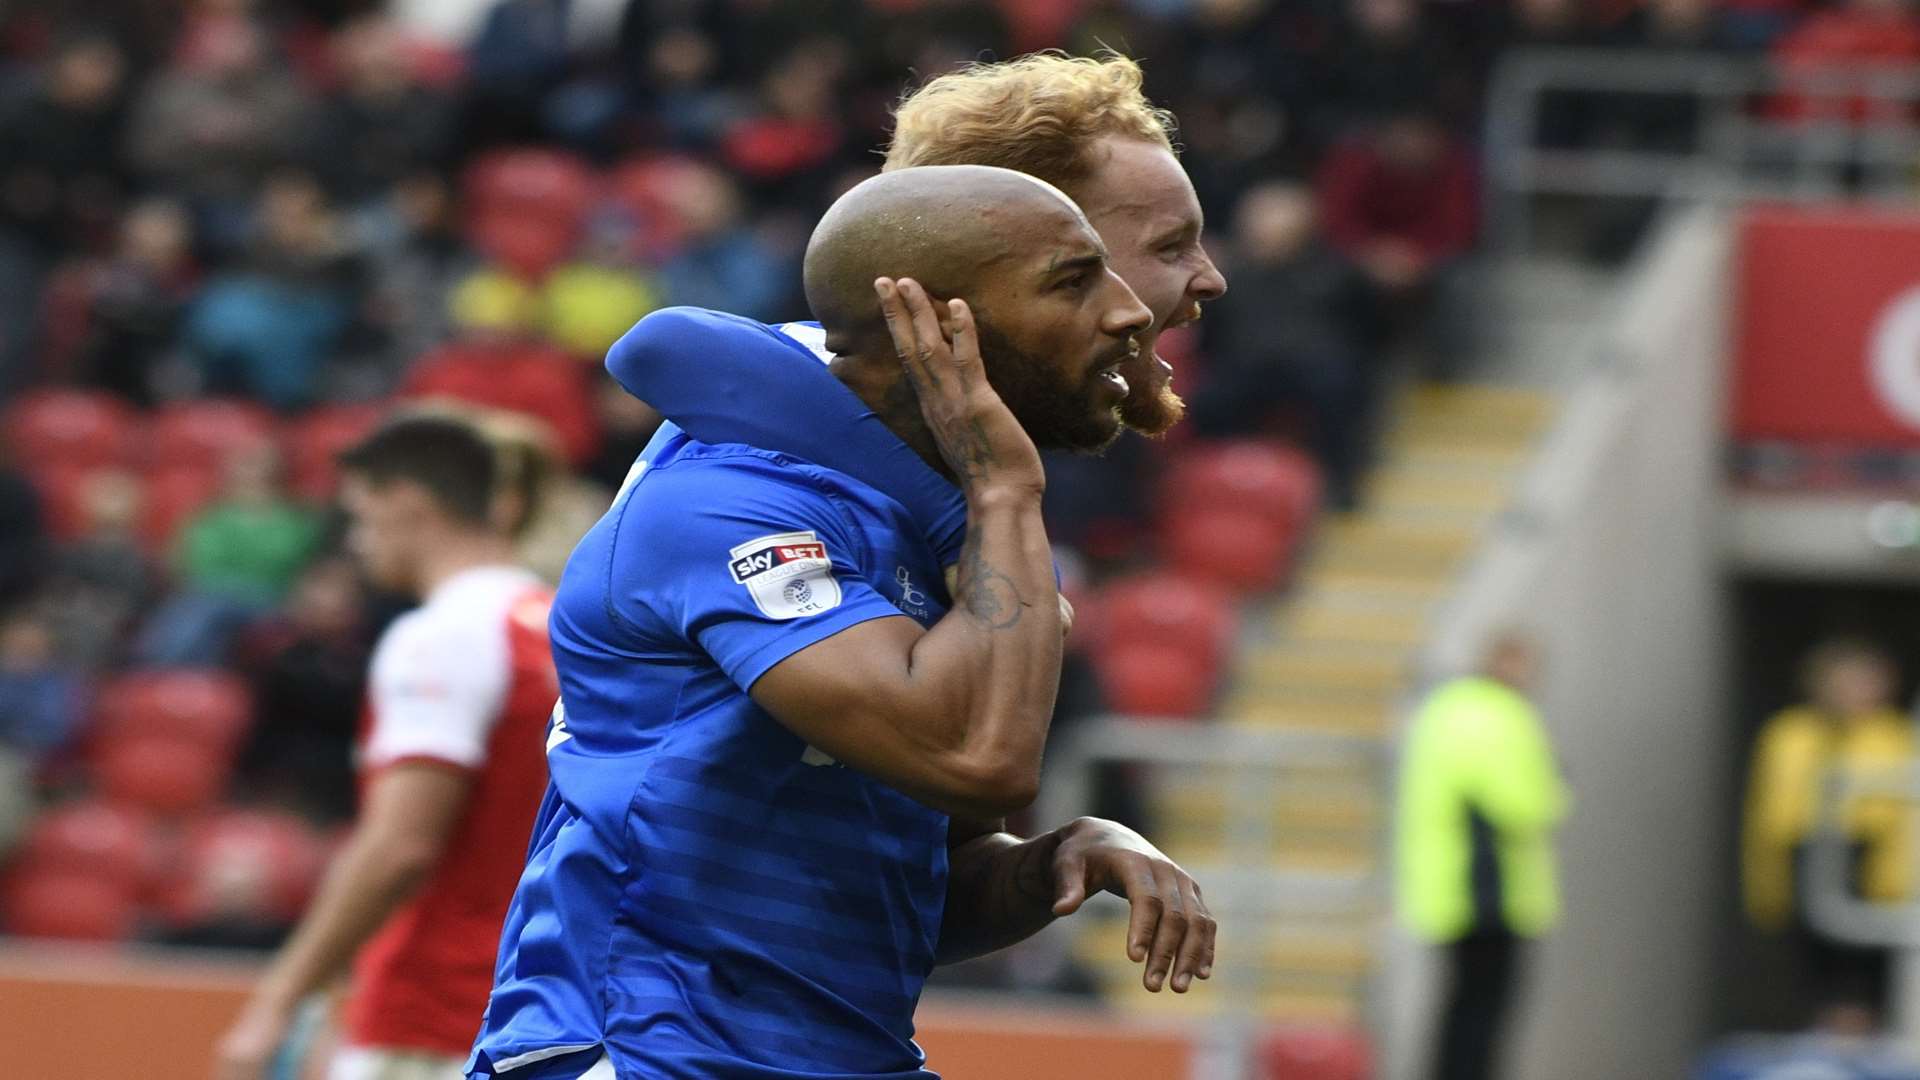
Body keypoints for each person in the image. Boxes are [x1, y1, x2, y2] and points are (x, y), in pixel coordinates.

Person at [468, 166, 1214, 1080]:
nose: (1132, 311)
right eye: (1073, 279)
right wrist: (1006, 491)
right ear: (935, 327)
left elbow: (900, 894)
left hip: (846, 1058)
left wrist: (1057, 859)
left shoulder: (933, 526)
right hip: (644, 1049)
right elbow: (980, 762)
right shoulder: (727, 510)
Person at [215, 415, 560, 1080]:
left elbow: (402, 846)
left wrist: (278, 1000)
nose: (354, 541)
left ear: (407, 502)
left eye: (361, 514)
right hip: (540, 998)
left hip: (431, 1011)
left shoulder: (441, 636)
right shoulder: (561, 629)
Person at [1396, 631, 1569, 1080]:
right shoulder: (1497, 715)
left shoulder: (1444, 709)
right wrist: (1555, 790)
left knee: (1460, 1009)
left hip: (1452, 886)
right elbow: (1521, 803)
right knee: (1482, 1014)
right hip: (1488, 890)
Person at [1744, 638, 1913, 1031]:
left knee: (1864, 975)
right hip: (1806, 860)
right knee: (1813, 968)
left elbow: (1899, 822)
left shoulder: (1897, 738)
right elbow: (1768, 817)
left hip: (1874, 872)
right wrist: (1766, 889)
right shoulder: (1790, 734)